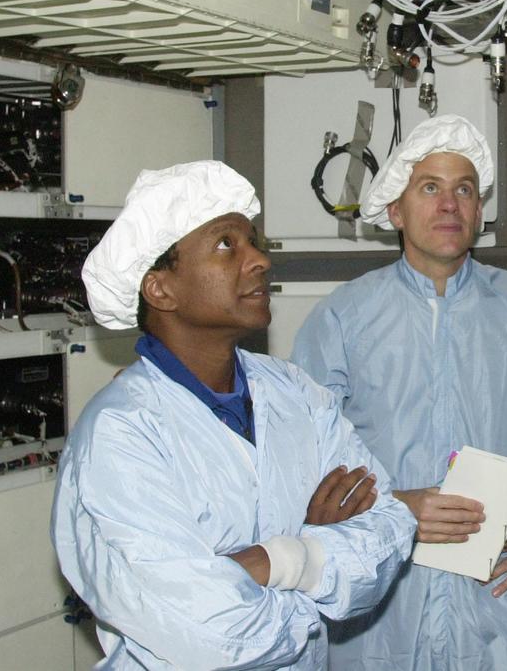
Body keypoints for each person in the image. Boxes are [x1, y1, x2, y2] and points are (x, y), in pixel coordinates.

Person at [50, 160, 416, 670]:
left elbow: (390, 526)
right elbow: (209, 634)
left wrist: (279, 560)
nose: (260, 260)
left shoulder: (293, 393)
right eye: (227, 244)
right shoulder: (120, 434)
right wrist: (319, 561)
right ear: (161, 290)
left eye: (253, 242)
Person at [290, 114, 507, 670]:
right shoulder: (342, 320)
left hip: (492, 606)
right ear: (397, 211)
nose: (449, 204)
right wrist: (393, 509)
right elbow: (297, 463)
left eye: (464, 190)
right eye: (429, 187)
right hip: (377, 606)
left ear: (480, 212)